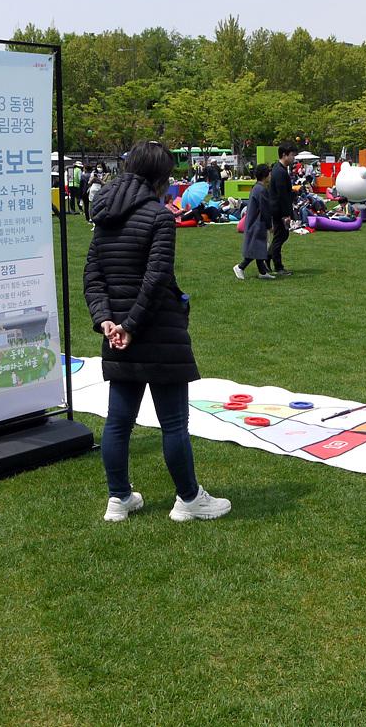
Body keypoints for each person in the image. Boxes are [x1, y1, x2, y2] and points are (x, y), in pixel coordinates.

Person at [83, 140, 231, 523]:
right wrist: (127, 326)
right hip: (155, 331)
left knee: (118, 422)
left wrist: (107, 322)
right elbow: (156, 278)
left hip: (119, 334)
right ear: (161, 177)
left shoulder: (104, 215)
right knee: (173, 423)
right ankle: (189, 499)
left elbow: (93, 277)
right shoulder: (159, 217)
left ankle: (119, 498)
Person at [234, 164, 275, 280]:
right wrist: (270, 225)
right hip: (257, 223)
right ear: (265, 175)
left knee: (259, 247)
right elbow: (265, 210)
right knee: (256, 247)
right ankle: (240, 267)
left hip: (254, 222)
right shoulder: (261, 190)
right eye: (269, 173)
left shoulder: (256, 187)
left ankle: (262, 272)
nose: (270, 176)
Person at [268, 142, 296, 276]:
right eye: (292, 155)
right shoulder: (279, 171)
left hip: (278, 209)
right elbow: (282, 195)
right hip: (278, 210)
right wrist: (286, 214)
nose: (293, 158)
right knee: (280, 236)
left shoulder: (280, 169)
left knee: (281, 236)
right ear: (284, 155)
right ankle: (277, 266)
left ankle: (268, 258)